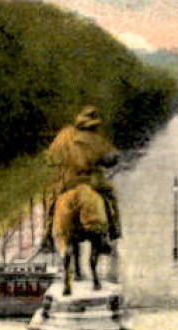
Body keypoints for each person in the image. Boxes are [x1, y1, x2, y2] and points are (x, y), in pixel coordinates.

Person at [46, 105, 122, 248]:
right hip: (92, 180)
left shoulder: (64, 136)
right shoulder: (97, 139)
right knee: (110, 197)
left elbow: (51, 158)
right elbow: (109, 159)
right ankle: (113, 230)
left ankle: (47, 236)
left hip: (68, 180)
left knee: (51, 201)